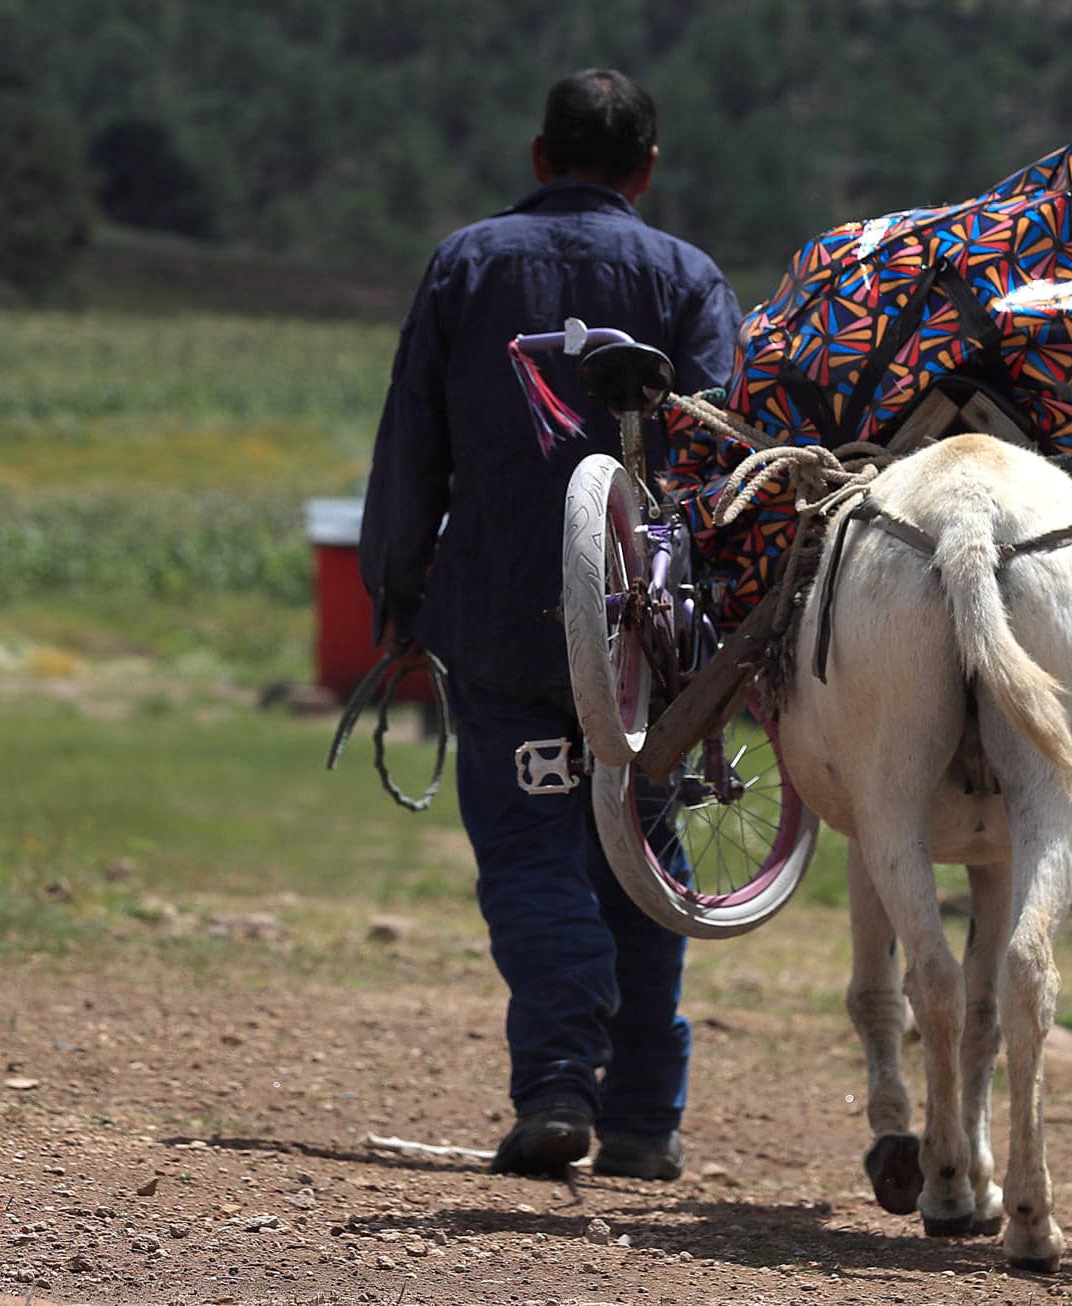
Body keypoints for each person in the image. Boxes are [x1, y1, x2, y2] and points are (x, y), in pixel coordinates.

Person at [359, 68, 741, 1179]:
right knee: (644, 850)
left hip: (499, 620)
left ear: (539, 156)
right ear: (647, 168)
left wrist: (395, 590)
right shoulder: (688, 275)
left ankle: (560, 1083)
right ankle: (641, 1118)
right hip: (646, 634)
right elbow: (719, 458)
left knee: (531, 846)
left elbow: (410, 440)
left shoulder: (467, 264)